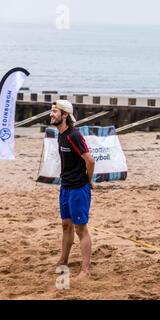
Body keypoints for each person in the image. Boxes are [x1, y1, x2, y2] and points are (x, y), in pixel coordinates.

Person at [50, 100, 95, 279]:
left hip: (78, 188)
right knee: (66, 225)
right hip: (66, 187)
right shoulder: (60, 135)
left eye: (55, 111)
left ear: (65, 115)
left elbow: (90, 161)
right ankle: (63, 260)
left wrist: (89, 180)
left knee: (80, 228)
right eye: (51, 111)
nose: (51, 114)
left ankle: (85, 270)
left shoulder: (73, 135)